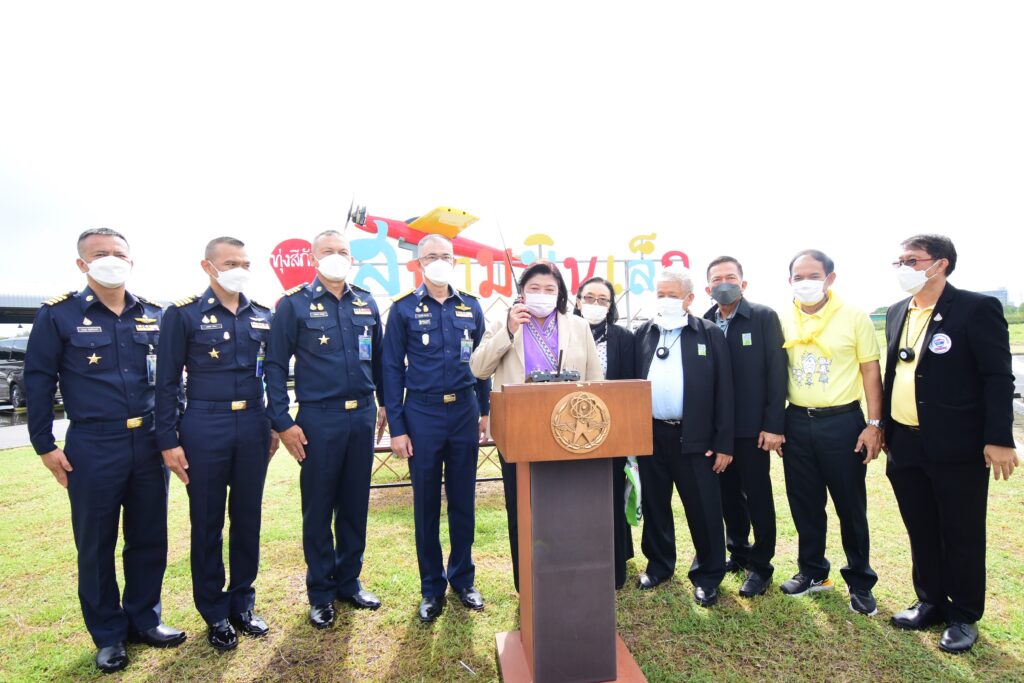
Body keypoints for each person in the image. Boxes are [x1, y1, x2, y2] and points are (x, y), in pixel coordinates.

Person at [25, 228, 185, 673]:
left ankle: (145, 619)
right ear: (82, 264)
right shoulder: (58, 315)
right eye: (100, 254)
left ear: (131, 261)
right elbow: (38, 381)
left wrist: (174, 432)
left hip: (149, 442)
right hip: (94, 444)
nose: (111, 259)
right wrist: (44, 444)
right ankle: (109, 634)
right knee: (96, 543)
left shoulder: (154, 313)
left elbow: (171, 381)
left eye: (118, 253)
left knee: (149, 536)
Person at [882, 234, 1019, 653]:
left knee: (960, 532)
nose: (903, 268)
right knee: (920, 527)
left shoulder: (975, 309)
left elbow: (998, 377)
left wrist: (999, 438)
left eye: (912, 260)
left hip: (957, 446)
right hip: (905, 443)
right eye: (899, 261)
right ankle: (930, 601)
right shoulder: (897, 311)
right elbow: (897, 372)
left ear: (940, 264)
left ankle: (963, 615)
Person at [155, 237, 278, 651]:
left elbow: (273, 375)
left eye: (245, 263)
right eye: (230, 263)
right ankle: (214, 611)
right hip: (205, 424)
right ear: (208, 267)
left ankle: (242, 603)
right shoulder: (184, 314)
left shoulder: (263, 315)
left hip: (254, 422)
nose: (239, 269)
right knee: (207, 522)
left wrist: (273, 424)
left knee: (247, 518)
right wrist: (168, 439)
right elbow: (167, 383)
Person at [265, 230, 385, 630]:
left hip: (362, 415)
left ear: (352, 258)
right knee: (318, 507)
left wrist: (385, 403)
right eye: (328, 251)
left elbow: (380, 360)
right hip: (319, 418)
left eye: (343, 251)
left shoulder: (366, 301)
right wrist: (283, 421)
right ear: (313, 259)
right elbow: (275, 366)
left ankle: (349, 581)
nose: (337, 256)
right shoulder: (293, 305)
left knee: (354, 503)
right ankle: (320, 591)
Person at [470, 260, 602, 591]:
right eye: (534, 288)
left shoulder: (578, 326)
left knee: (566, 508)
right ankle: (528, 584)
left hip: (570, 432)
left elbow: (596, 381)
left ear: (560, 294)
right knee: (523, 507)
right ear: (521, 293)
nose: (542, 294)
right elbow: (478, 369)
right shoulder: (503, 322)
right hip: (520, 432)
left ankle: (568, 578)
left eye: (549, 289)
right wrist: (509, 330)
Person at [382, 234, 490, 623]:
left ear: (455, 262)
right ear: (419, 263)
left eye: (446, 255)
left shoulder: (471, 306)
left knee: (463, 500)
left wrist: (485, 410)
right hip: (422, 415)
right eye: (431, 256)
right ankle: (431, 587)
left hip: (464, 411)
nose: (439, 261)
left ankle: (463, 578)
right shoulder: (403, 309)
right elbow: (391, 369)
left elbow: (483, 362)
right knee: (426, 504)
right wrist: (397, 428)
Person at [779, 249, 882, 616]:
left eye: (813, 275)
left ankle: (860, 579)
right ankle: (812, 571)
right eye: (798, 277)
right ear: (789, 281)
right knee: (804, 502)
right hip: (796, 422)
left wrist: (874, 424)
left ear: (830, 279)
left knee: (850, 505)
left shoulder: (853, 316)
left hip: (842, 422)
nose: (805, 282)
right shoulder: (782, 319)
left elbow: (870, 370)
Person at [633, 266, 734, 608]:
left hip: (696, 438)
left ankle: (708, 575)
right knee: (655, 504)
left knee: (704, 509)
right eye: (660, 294)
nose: (665, 300)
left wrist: (723, 443)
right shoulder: (644, 332)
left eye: (672, 295)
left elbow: (725, 392)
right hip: (652, 435)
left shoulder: (708, 333)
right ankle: (659, 565)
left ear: (689, 299)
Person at [702, 256, 786, 598]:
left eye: (731, 277)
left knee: (758, 496)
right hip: (718, 431)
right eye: (717, 279)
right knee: (727, 496)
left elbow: (777, 372)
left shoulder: (763, 317)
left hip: (753, 429)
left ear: (743, 283)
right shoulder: (704, 322)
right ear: (707, 288)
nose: (724, 283)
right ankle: (737, 552)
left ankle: (760, 566)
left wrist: (773, 424)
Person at [573, 276, 636, 590]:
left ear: (611, 306)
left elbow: (631, 385)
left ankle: (614, 564)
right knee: (577, 496)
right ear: (578, 300)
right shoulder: (566, 332)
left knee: (610, 493)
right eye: (589, 297)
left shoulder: (623, 337)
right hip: (570, 430)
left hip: (611, 431)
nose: (595, 304)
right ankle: (579, 557)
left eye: (603, 300)